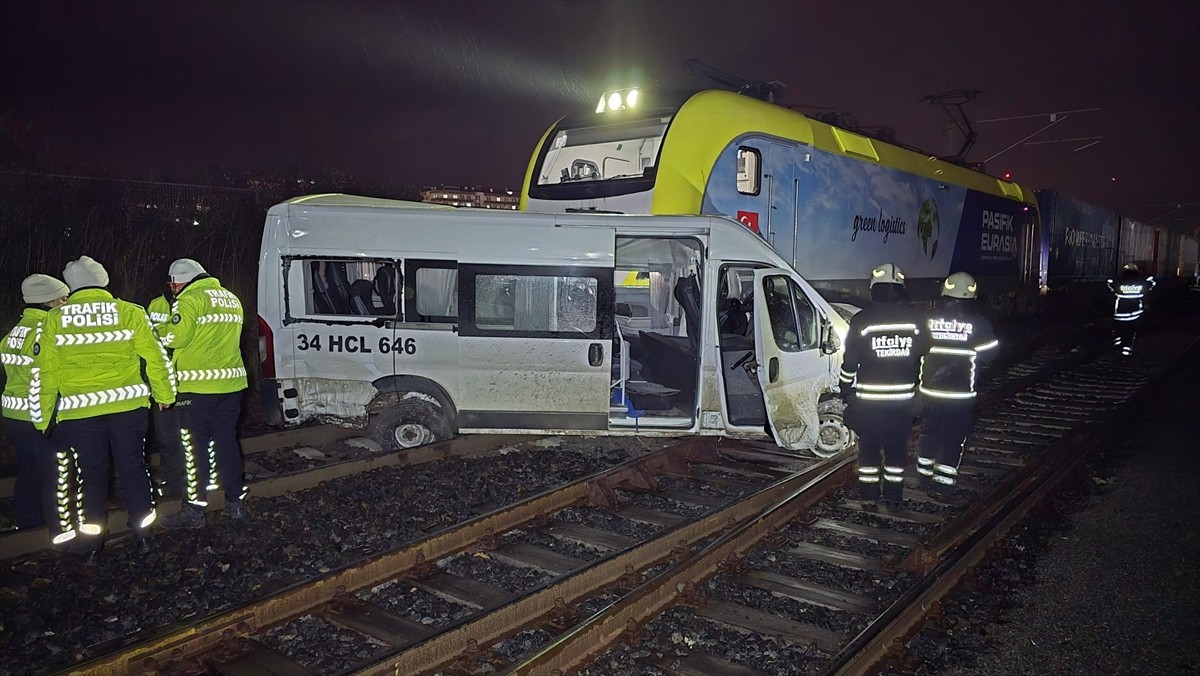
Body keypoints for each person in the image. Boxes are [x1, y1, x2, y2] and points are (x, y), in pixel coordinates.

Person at [29, 256, 177, 563]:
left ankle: (93, 547)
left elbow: (46, 374)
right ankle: (143, 536)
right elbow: (156, 357)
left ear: (72, 286)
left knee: (91, 476)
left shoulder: (54, 319)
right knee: (134, 468)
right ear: (104, 280)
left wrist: (43, 416)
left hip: (80, 415)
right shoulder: (130, 312)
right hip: (128, 408)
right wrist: (164, 394)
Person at [159, 258, 249, 528]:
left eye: (172, 284)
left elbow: (176, 338)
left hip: (197, 388)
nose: (172, 289)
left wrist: (157, 331)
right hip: (231, 386)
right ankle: (235, 503)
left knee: (193, 448)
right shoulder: (230, 297)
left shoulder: (189, 300)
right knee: (226, 443)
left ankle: (194, 511)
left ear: (180, 281)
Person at [838, 263, 929, 505]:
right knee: (896, 452)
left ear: (873, 290)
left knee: (868, 451)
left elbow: (850, 362)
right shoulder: (916, 320)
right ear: (900, 290)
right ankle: (893, 497)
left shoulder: (861, 320)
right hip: (902, 404)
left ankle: (869, 497)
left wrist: (846, 391)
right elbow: (926, 352)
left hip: (870, 403)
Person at [916, 272, 999, 498]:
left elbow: (918, 348)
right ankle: (943, 483)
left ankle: (923, 473)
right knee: (953, 435)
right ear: (972, 298)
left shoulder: (928, 319)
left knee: (930, 430)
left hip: (930, 391)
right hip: (960, 395)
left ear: (944, 295)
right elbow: (991, 354)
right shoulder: (979, 323)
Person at [2, 275, 70, 532]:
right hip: (39, 413)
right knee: (51, 473)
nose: (66, 303)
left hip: (14, 413)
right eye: (63, 299)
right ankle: (43, 526)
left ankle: (26, 521)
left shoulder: (16, 331)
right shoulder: (46, 331)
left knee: (28, 471)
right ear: (49, 302)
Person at [147, 286, 184, 497]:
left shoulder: (193, 302)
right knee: (167, 436)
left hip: (190, 380)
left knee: (193, 436)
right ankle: (173, 482)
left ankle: (197, 482)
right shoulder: (156, 304)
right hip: (163, 380)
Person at [1107, 263, 1155, 357]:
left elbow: (1110, 284)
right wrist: (1150, 279)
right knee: (1131, 331)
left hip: (1120, 314)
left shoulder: (1119, 283)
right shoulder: (1141, 284)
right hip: (1134, 315)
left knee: (1118, 329)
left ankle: (1117, 341)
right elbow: (1151, 285)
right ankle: (1127, 350)